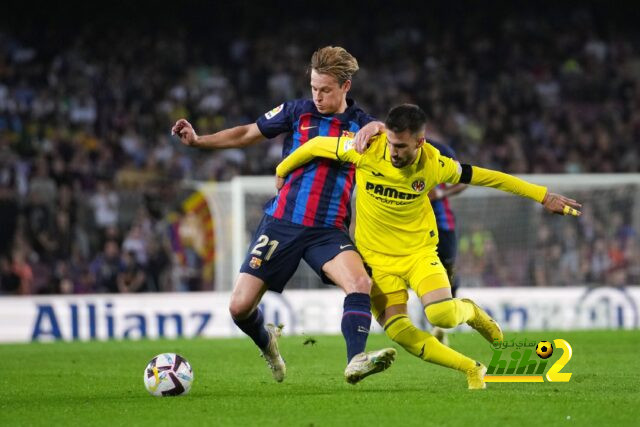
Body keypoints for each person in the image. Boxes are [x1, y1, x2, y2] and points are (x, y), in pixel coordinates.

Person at [275, 104, 581, 389]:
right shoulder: (366, 148)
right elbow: (315, 146)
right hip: (376, 261)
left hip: (418, 254)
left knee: (442, 317)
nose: (393, 152)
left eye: (402, 146)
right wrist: (281, 171)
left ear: (420, 143)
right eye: (392, 143)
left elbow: (487, 177)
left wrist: (541, 195)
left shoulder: (435, 164)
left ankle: (472, 313)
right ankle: (472, 368)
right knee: (399, 332)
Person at [171, 46, 396, 384]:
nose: (317, 96)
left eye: (326, 90)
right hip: (281, 225)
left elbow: (398, 141)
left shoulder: (361, 125)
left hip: (327, 231)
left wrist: (380, 127)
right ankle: (268, 342)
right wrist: (199, 141)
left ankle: (356, 360)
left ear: (346, 86)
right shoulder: (296, 113)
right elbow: (247, 132)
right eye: (313, 88)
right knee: (238, 308)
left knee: (360, 282)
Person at [427, 141, 467, 345]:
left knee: (448, 270)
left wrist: (441, 193)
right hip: (414, 226)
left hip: (443, 223)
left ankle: (442, 324)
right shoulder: (393, 149)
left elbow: (464, 181)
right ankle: (435, 322)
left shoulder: (439, 149)